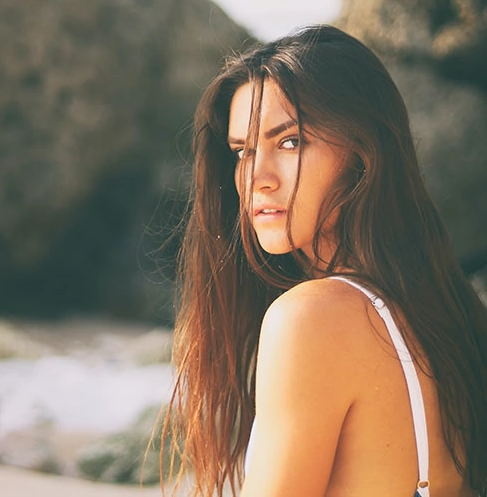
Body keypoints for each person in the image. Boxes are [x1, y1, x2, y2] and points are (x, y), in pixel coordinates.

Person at [163, 25, 487, 496]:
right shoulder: (440, 313)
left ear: (362, 150)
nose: (258, 178)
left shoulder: (312, 318)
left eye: (290, 142)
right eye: (242, 151)